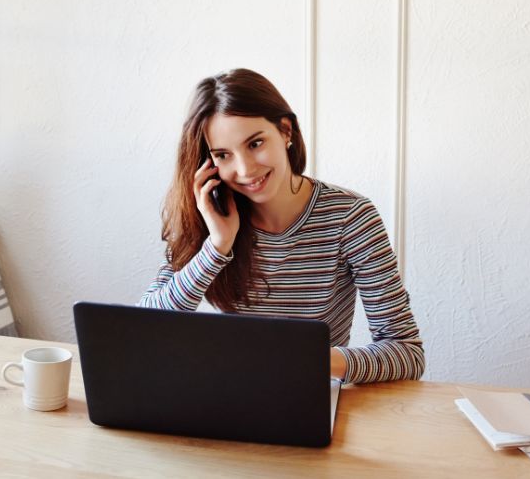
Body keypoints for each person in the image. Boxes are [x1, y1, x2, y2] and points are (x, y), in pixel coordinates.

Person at [139, 68, 424, 384]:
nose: (245, 169)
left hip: (309, 397)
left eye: (255, 143)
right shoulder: (209, 218)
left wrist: (304, 356)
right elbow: (147, 327)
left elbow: (406, 353)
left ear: (286, 131)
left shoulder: (350, 216)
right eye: (223, 155)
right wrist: (217, 246)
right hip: (229, 393)